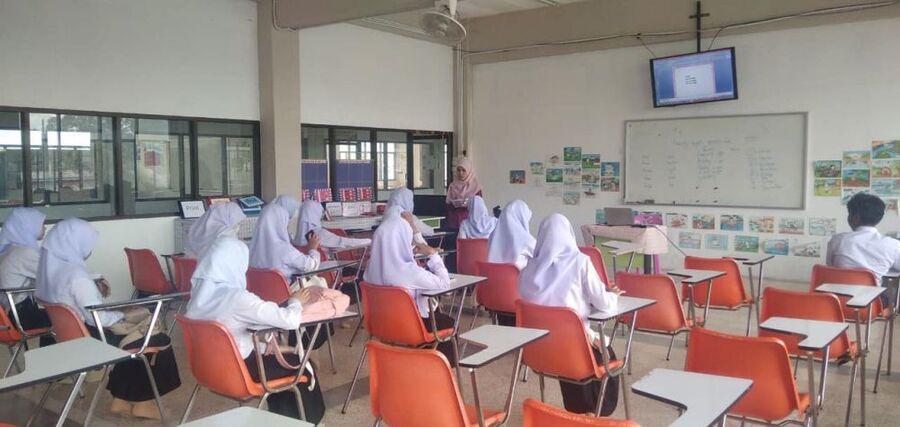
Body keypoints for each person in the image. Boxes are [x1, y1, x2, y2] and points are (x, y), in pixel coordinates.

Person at [35, 218, 181, 419]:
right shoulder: (77, 276)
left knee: (136, 339)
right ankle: (143, 403)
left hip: (74, 338)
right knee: (157, 339)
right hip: (94, 338)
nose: (89, 248)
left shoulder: (50, 272)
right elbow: (100, 319)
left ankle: (121, 400)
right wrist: (122, 314)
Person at [186, 237, 325, 422]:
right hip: (240, 373)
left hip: (208, 371)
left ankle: (282, 421)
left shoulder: (196, 298)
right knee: (304, 366)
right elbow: (290, 320)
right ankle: (309, 423)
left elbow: (231, 330)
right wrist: (295, 301)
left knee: (283, 359)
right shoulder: (237, 297)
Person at [518, 214, 620, 416]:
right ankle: (595, 411)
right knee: (605, 355)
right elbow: (603, 303)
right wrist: (612, 295)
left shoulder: (528, 267)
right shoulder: (580, 262)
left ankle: (576, 409)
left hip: (537, 350)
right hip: (575, 350)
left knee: (571, 344)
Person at [363, 213, 456, 364]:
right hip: (411, 328)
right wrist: (433, 254)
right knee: (448, 322)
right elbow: (445, 285)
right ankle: (440, 370)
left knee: (435, 316)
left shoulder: (369, 269)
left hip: (381, 326)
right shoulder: (409, 271)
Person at [827, 193, 900, 305]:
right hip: (870, 305)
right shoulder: (892, 245)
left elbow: (830, 267)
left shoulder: (837, 240)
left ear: (855, 218)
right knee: (889, 294)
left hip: (835, 301)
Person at [0, 207, 53, 345]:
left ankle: (49, 356)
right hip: (21, 317)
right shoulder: (23, 252)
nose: (45, 227)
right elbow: (54, 274)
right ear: (29, 226)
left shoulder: (8, 250)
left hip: (7, 317)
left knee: (54, 318)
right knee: (65, 319)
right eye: (41, 224)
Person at [250, 203, 321, 279]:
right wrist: (313, 249)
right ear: (280, 224)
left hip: (261, 287)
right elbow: (310, 266)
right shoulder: (284, 249)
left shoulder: (251, 249)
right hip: (289, 286)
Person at [292, 200, 371, 249]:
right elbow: (345, 243)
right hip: (326, 268)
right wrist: (369, 241)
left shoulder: (297, 238)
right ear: (316, 213)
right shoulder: (318, 235)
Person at [487, 199, 536, 270]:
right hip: (518, 277)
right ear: (523, 218)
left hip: (492, 276)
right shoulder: (529, 242)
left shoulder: (492, 237)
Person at [445, 157, 483, 230]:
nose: (460, 173)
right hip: (454, 222)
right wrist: (455, 204)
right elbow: (448, 205)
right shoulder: (452, 186)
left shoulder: (476, 187)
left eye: (463, 170)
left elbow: (479, 206)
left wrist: (467, 205)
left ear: (469, 171)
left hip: (470, 223)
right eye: (458, 170)